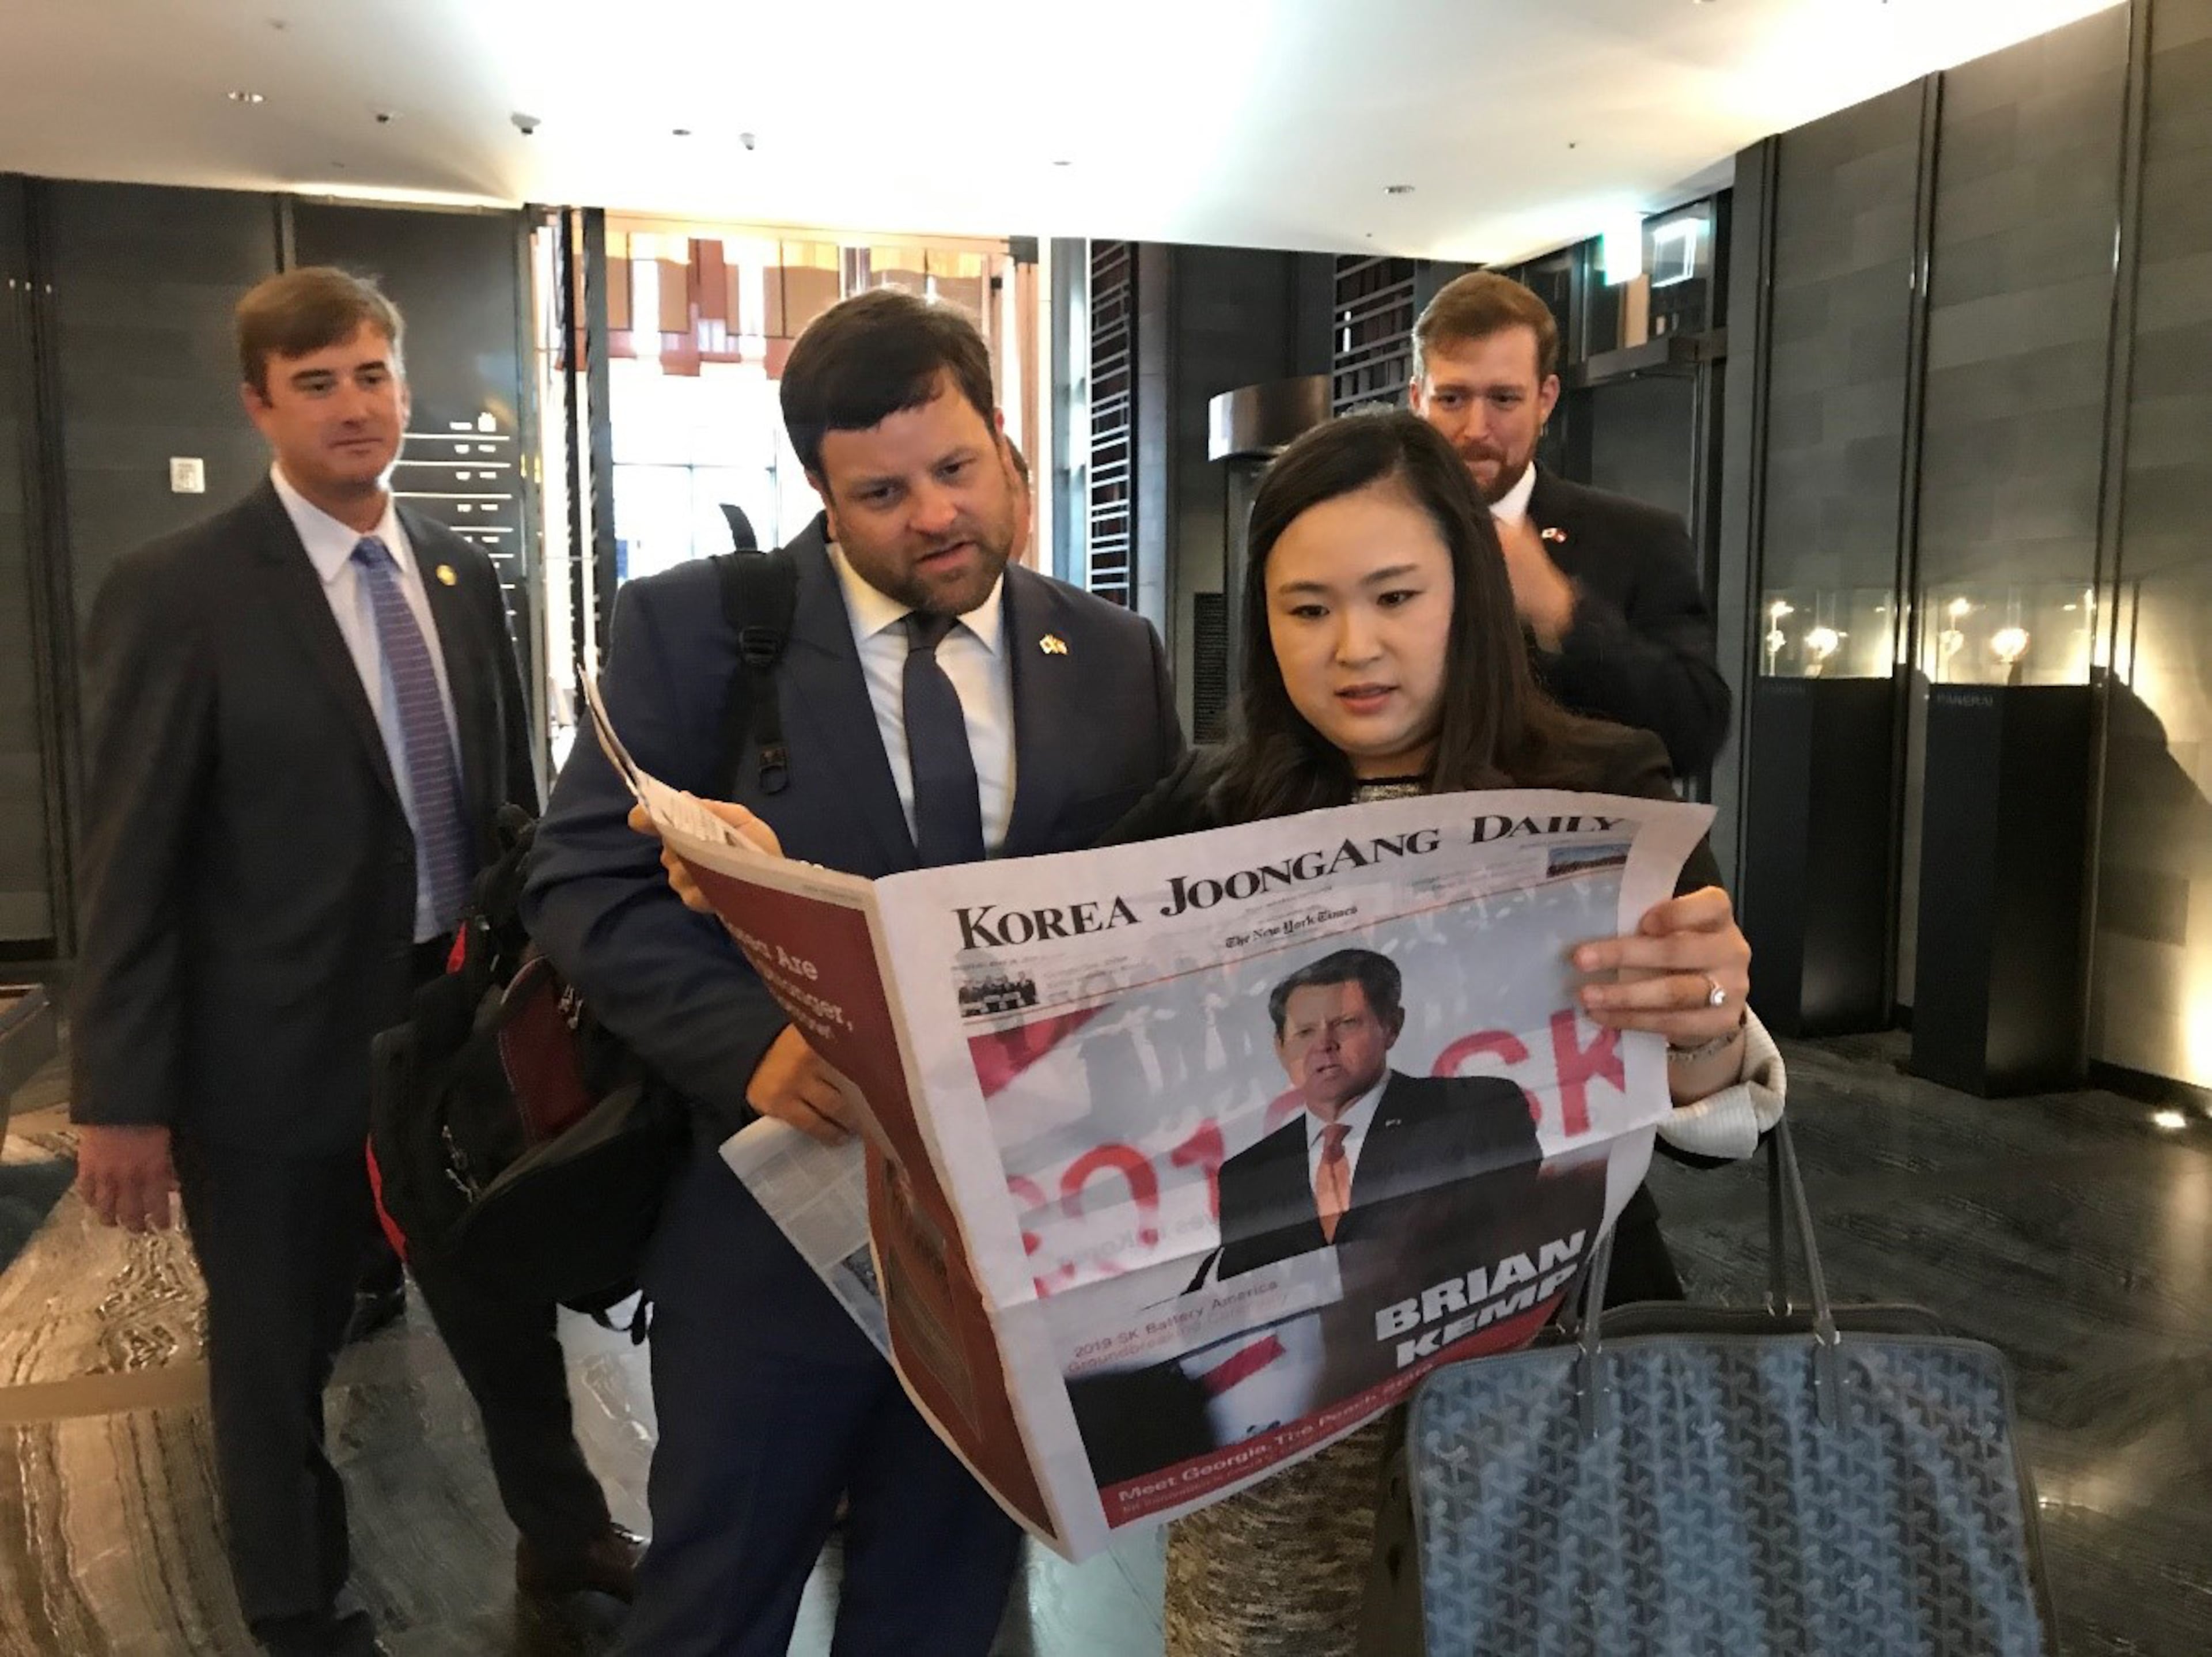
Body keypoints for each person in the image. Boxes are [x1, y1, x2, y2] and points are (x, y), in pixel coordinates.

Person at [645, 410, 1782, 1656]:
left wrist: (1707, 1026)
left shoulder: (1604, 786)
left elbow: (1708, 1127)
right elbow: (998, 988)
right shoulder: (1213, 809)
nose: (1355, 647)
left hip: (1537, 1391)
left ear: (1469, 590)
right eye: (1307, 609)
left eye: (1397, 596)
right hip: (1276, 1437)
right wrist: (774, 891)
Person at [521, 288, 1183, 1656]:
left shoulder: (1113, 657)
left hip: (1014, 1237)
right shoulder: (700, 631)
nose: (935, 515)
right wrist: (746, 1043)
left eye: (957, 468)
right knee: (715, 1596)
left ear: (1001, 436)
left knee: (944, 1598)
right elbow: (581, 875)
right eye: (882, 493)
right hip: (769, 1227)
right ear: (820, 493)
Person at [69, 268, 638, 1657]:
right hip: (269, 1046)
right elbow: (130, 856)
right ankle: (298, 1612)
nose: (352, 405)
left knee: (499, 1297)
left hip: (448, 1017)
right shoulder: (179, 591)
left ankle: (564, 1534)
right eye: (315, 382)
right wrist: (120, 1094)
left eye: (371, 374)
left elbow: (501, 802)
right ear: (259, 404)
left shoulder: (460, 572)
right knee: (275, 1349)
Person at [1409, 270, 1730, 777]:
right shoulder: (1364, 537)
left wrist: (1563, 612)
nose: (1476, 428)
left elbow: (1694, 733)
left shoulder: (1640, 539)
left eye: (1504, 399)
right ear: (1416, 401)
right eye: (1452, 399)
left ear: (1546, 399)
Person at [1207, 949, 1536, 1282]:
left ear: (1391, 1026)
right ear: (1280, 1047)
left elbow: (1519, 1237)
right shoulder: (1246, 1176)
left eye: (1345, 1024)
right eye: (1305, 1032)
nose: (1324, 1044)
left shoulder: (1475, 1111)